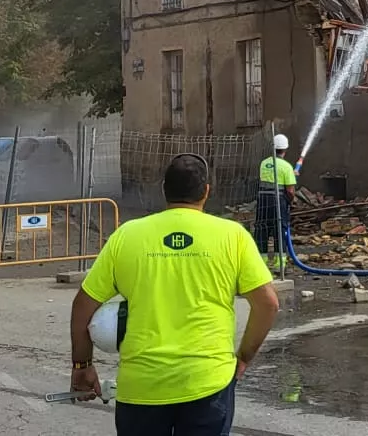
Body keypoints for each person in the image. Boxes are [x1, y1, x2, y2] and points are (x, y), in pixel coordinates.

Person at [70, 153, 280, 435]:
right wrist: (243, 357)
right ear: (206, 191)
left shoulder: (127, 236)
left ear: (164, 190)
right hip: (208, 382)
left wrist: (83, 365)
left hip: (141, 387)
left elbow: (83, 305)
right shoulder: (233, 236)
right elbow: (268, 304)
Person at [254, 134, 298, 271]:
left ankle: (261, 264)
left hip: (263, 201)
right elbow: (290, 190)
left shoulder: (263, 163)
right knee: (279, 231)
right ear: (285, 149)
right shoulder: (286, 166)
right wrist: (290, 201)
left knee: (262, 230)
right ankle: (280, 265)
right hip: (278, 201)